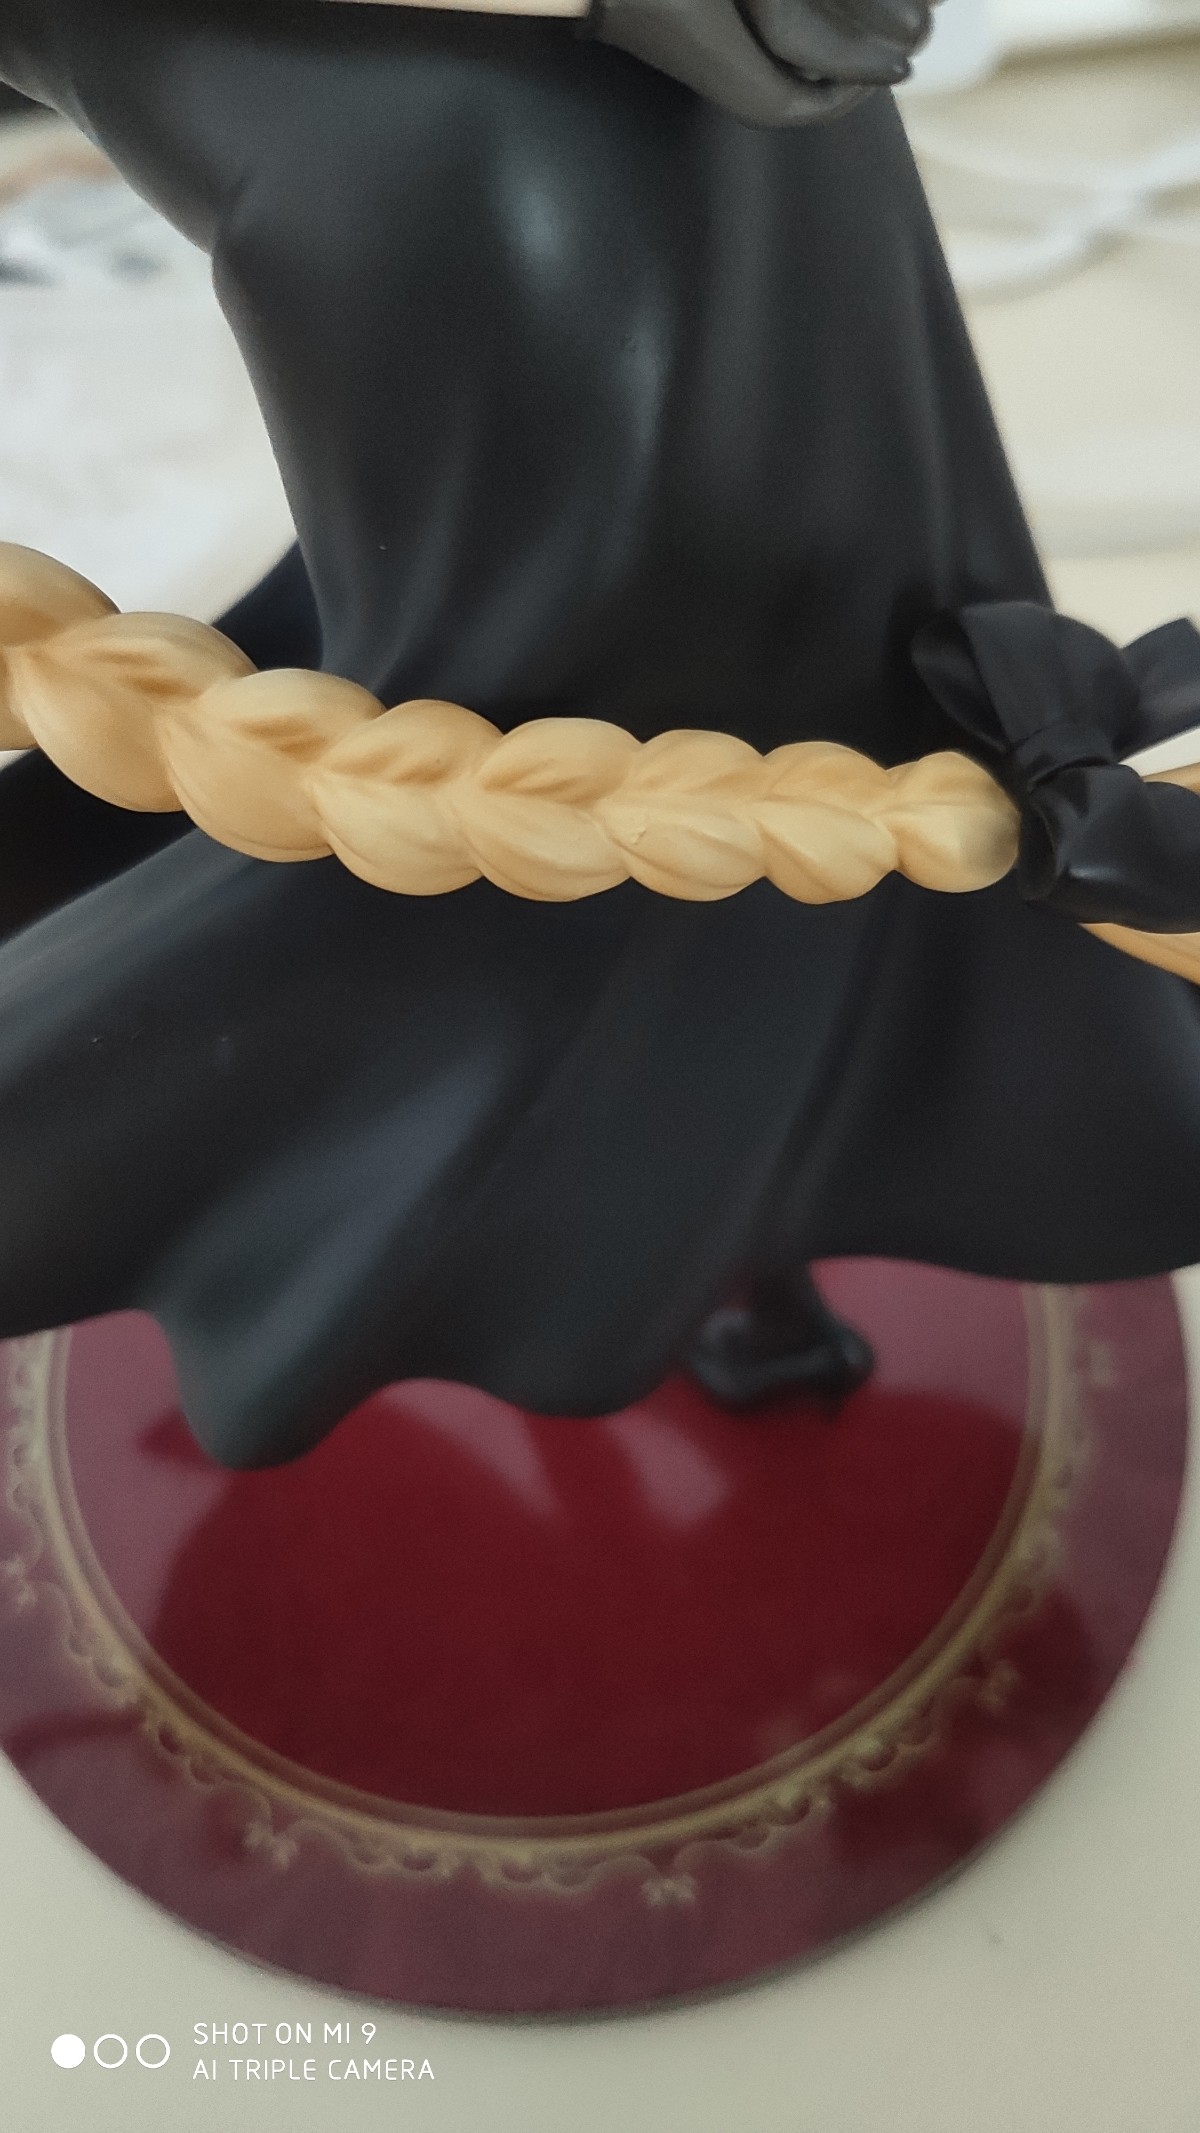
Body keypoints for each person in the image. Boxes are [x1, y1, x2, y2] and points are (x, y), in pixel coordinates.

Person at [0, 0, 1198, 1469]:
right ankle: (447, 1244)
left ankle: (743, 1236)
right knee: (562, 737)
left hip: (710, 116)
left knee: (841, 615)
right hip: (443, 95)